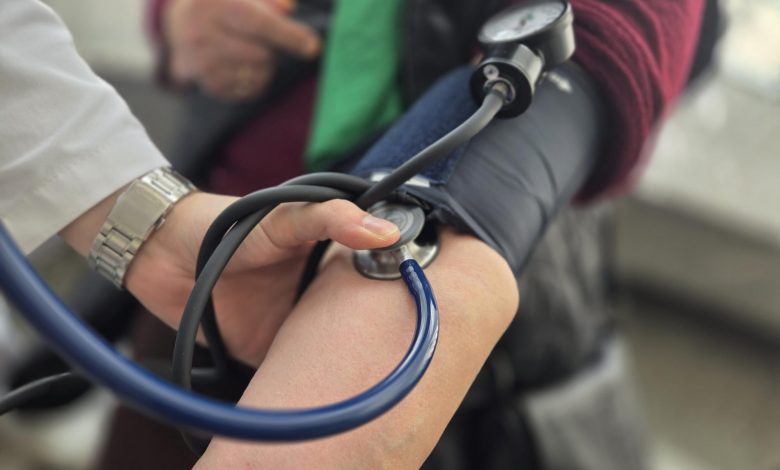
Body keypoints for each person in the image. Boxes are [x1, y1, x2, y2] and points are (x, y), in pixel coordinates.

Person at [91, 0, 721, 469]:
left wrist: (446, 205)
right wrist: (179, 18)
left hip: (461, 339)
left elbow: (622, 32)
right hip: (218, 276)